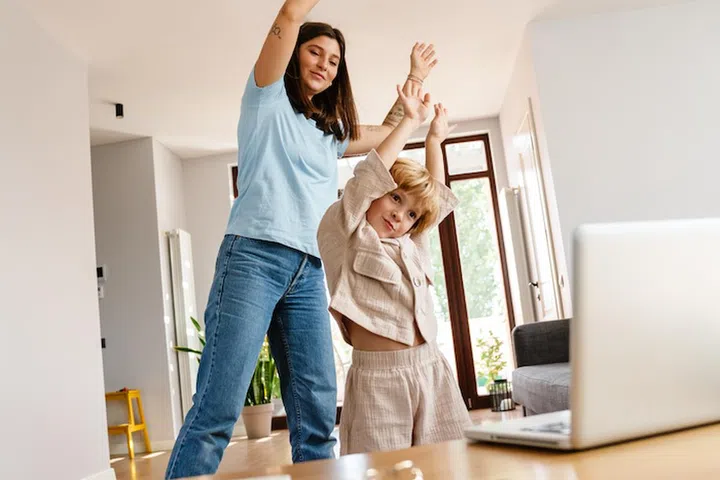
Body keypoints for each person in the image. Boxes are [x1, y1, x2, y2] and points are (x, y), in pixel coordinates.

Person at [164, 0, 439, 477]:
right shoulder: (265, 97)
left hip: (309, 272)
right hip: (253, 257)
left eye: (333, 61)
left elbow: (393, 127)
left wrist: (413, 75)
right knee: (217, 410)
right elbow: (289, 16)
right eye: (315, 53)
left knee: (315, 419)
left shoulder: (327, 134)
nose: (324, 65)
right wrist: (294, 13)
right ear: (294, 56)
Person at [317, 83, 472, 454]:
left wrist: (434, 141)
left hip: (431, 367)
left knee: (453, 463)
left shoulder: (410, 244)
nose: (398, 216)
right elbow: (368, 174)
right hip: (379, 381)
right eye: (395, 198)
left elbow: (435, 200)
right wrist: (409, 123)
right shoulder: (344, 230)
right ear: (379, 190)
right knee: (383, 470)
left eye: (410, 215)